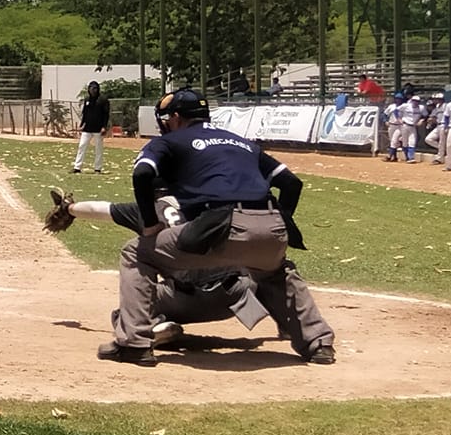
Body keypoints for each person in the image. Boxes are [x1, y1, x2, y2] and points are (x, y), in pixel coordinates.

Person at [99, 88, 335, 366]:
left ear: (175, 117)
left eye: (167, 118)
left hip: (219, 225)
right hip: (271, 225)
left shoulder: (171, 142)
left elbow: (142, 173)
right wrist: (278, 222)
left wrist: (150, 225)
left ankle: (135, 343)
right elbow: (291, 184)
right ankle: (318, 344)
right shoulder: (242, 142)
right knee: (273, 271)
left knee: (135, 252)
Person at [42, 189, 276, 347]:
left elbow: (101, 209)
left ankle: (154, 329)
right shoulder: (208, 202)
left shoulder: (149, 210)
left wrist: (69, 208)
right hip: (239, 295)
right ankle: (287, 322)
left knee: (127, 311)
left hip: (192, 298)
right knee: (256, 270)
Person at [72, 81, 109, 174]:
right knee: (82, 146)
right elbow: (85, 113)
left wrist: (104, 127)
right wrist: (82, 125)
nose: (93, 90)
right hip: (87, 128)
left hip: (98, 129)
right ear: (89, 89)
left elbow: (106, 115)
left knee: (98, 149)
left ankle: (97, 168)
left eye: (95, 88)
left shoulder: (103, 100)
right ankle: (77, 167)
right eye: (91, 88)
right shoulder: (87, 99)